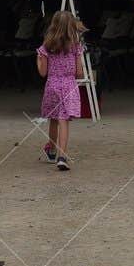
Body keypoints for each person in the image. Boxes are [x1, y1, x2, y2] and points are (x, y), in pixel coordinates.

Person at [35, 11, 85, 172]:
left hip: (52, 85)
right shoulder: (76, 47)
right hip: (69, 85)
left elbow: (42, 72)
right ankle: (62, 157)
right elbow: (79, 73)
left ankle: (51, 149)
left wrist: (38, 60)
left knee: (54, 119)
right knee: (64, 120)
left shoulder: (46, 47)